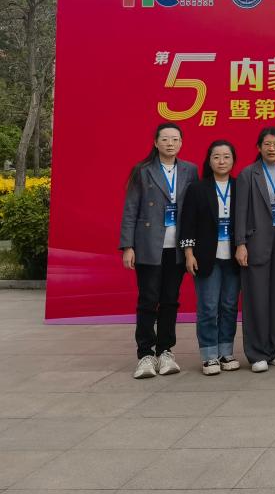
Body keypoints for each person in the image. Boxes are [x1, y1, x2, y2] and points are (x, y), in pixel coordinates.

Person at [120, 122, 198, 379]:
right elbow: (130, 209)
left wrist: (192, 246)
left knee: (170, 300)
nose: (170, 143)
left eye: (175, 139)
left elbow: (194, 209)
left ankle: (165, 351)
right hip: (148, 244)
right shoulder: (142, 170)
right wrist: (128, 246)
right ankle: (145, 354)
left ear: (181, 143)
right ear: (155, 142)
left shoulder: (190, 170)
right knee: (148, 299)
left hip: (177, 246)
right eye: (165, 139)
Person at [234, 127, 275, 373]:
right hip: (256, 241)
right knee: (256, 297)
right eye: (267, 144)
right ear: (258, 147)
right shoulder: (248, 174)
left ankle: (274, 349)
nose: (272, 148)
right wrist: (240, 244)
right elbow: (240, 211)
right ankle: (257, 352)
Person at [179, 139, 241, 375]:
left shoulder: (240, 186)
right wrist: (188, 253)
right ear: (209, 160)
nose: (221, 161)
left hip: (233, 257)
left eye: (226, 156)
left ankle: (226, 352)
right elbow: (188, 224)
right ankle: (209, 356)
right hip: (206, 257)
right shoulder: (197, 188)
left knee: (229, 306)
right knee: (208, 307)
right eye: (216, 157)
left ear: (233, 160)